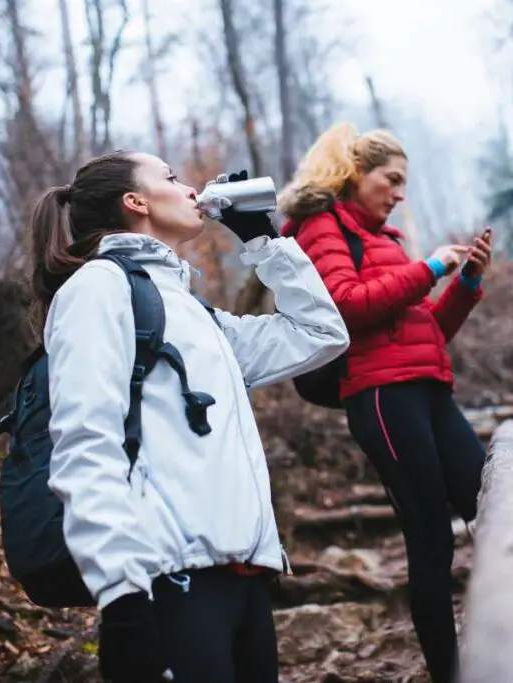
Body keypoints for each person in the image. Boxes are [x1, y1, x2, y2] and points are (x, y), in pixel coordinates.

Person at [29, 150, 350, 683]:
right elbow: (86, 444)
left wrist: (264, 242)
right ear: (136, 202)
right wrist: (122, 594)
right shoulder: (97, 289)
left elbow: (320, 335)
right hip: (167, 587)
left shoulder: (190, 311)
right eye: (171, 178)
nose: (188, 188)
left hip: (244, 579)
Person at [277, 123, 493, 683]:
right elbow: (344, 307)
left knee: (488, 507)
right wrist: (430, 269)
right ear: (355, 174)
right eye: (391, 180)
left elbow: (425, 336)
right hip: (380, 398)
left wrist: (464, 283)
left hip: (427, 390)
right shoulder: (321, 227)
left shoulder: (388, 242)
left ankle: (512, 640)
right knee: (430, 536)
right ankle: (449, 673)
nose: (399, 193)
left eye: (403, 184)